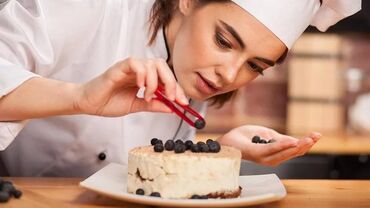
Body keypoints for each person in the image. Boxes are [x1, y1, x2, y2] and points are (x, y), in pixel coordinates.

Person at [0, 0, 361, 177]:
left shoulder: (191, 65)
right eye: (223, 41)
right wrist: (80, 98)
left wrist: (217, 150)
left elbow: (133, 164)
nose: (230, 74)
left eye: (254, 66)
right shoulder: (93, 6)